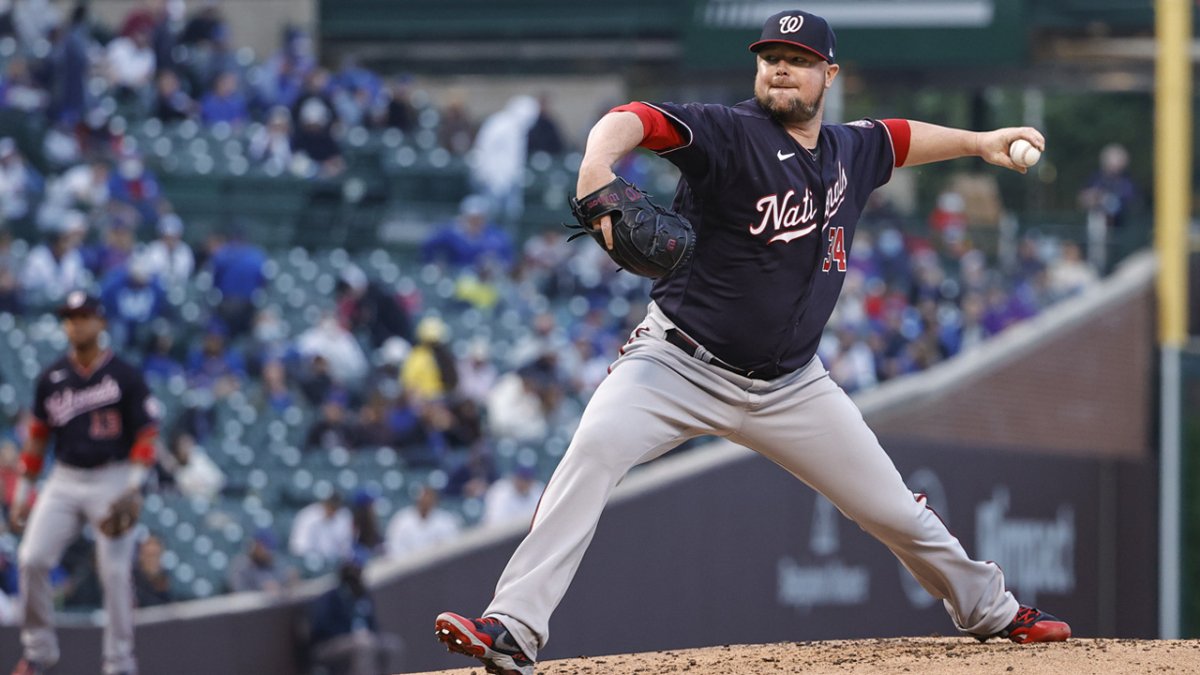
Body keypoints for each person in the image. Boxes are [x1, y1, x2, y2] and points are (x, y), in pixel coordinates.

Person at [434, 10, 1069, 675]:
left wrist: (979, 141)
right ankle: (512, 626)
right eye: (770, 58)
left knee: (893, 510)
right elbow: (638, 118)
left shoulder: (850, 149)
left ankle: (991, 610)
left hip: (793, 386)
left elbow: (897, 137)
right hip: (678, 363)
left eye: (796, 59)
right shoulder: (729, 133)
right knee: (590, 453)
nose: (780, 68)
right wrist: (596, 161)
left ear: (830, 74)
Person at [8, 291, 159, 675]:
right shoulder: (51, 378)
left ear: (102, 322)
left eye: (84, 315)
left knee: (114, 573)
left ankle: (120, 663)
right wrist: (25, 491)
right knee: (31, 559)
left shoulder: (124, 374)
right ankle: (39, 653)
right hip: (65, 477)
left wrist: (134, 484)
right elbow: (38, 437)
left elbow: (147, 432)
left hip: (113, 476)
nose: (76, 323)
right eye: (70, 317)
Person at [385, 485, 461, 559]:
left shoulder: (446, 520)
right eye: (424, 497)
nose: (426, 500)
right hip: (408, 567)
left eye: (430, 497)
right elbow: (394, 548)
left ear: (435, 501)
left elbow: (452, 548)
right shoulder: (401, 520)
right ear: (418, 500)